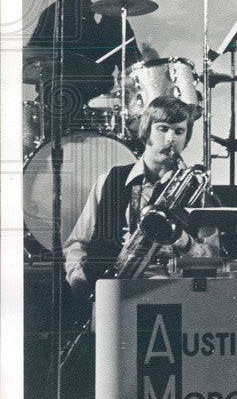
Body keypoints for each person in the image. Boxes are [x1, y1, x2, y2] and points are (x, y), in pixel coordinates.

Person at [63, 96, 219, 298]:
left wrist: (183, 241)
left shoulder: (197, 191)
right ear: (147, 132)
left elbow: (214, 257)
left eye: (179, 131)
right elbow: (76, 244)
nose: (171, 138)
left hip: (177, 291)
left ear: (186, 140)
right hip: (114, 292)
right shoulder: (109, 181)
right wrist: (79, 280)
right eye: (163, 129)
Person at [27, 0, 144, 124]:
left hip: (100, 112)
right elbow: (32, 61)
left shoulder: (120, 21)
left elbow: (134, 69)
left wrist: (131, 78)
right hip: (57, 108)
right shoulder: (57, 13)